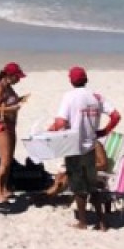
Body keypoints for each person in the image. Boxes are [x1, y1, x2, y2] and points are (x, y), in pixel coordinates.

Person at [50, 66, 108, 231]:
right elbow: (116, 115)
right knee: (93, 186)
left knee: (78, 188)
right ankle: (102, 221)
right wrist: (104, 131)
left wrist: (50, 130)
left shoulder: (69, 97)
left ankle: (83, 222)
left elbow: (61, 122)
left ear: (71, 80)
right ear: (86, 79)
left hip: (74, 147)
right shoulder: (96, 96)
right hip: (91, 147)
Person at [0, 62, 26, 201]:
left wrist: (19, 100)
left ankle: (4, 188)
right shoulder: (0, 87)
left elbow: (8, 102)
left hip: (10, 125)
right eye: (18, 77)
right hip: (1, 126)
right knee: (4, 161)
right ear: (10, 75)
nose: (19, 80)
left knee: (9, 160)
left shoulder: (8, 86)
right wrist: (12, 109)